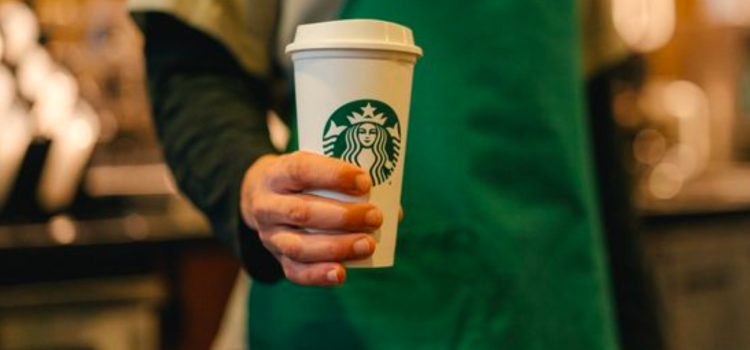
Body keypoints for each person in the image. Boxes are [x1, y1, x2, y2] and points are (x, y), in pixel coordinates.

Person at [131, 0, 621, 348]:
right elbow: (191, 64)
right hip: (353, 313)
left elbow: (592, 125)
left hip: (552, 303)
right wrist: (249, 181)